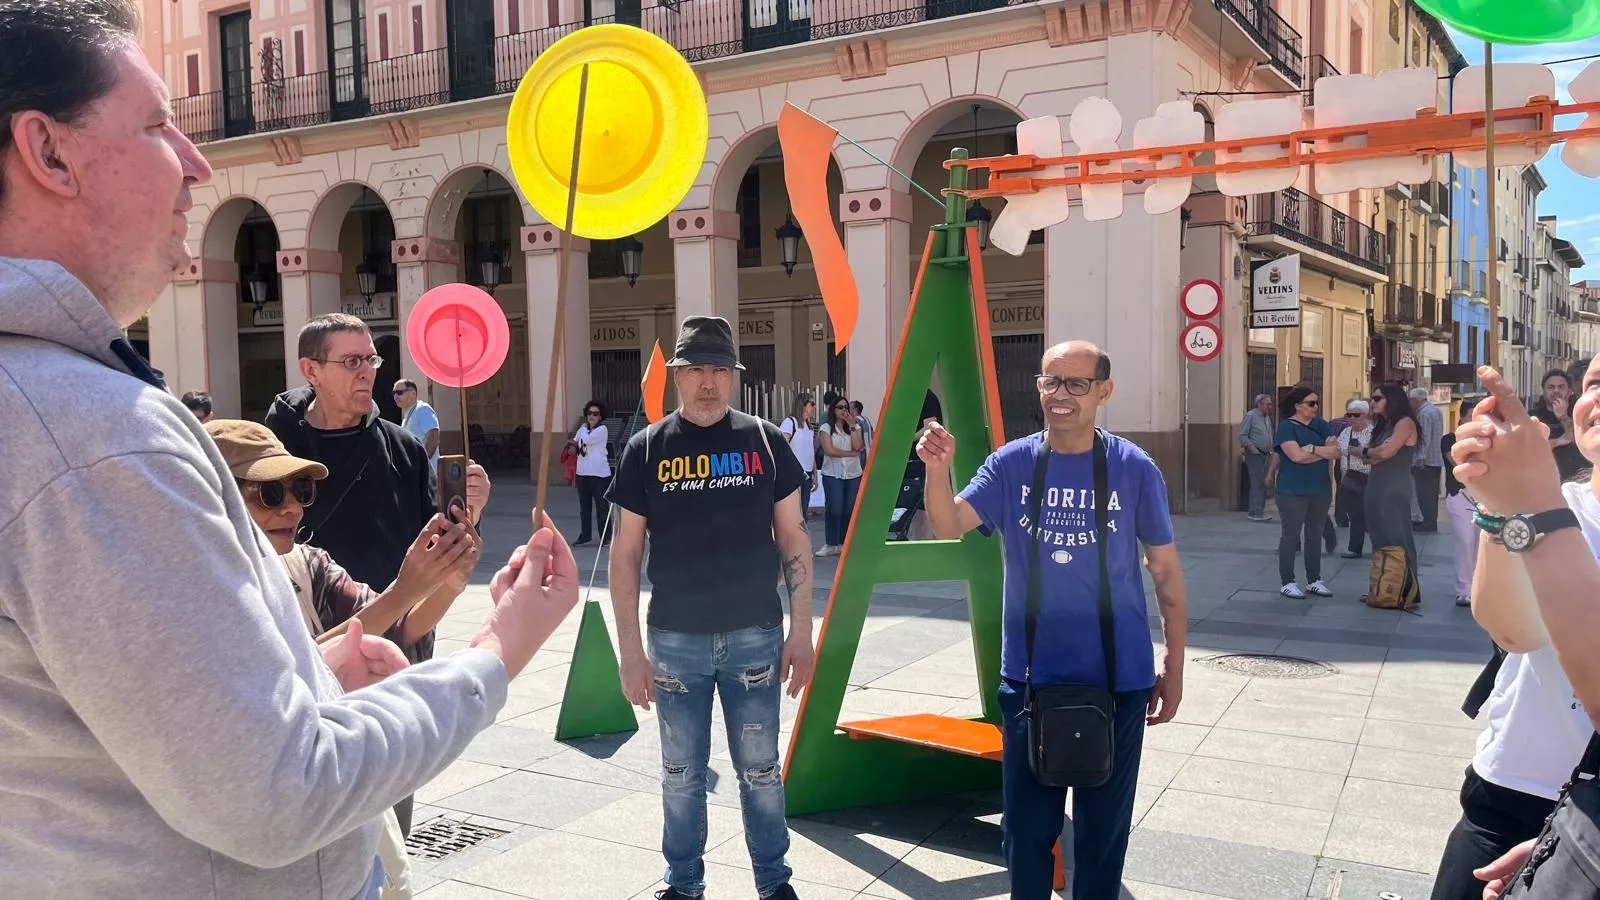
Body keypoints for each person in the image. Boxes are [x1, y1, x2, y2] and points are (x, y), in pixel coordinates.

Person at [0, 3, 578, 895]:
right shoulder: (94, 439)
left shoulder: (49, 410)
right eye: (158, 125)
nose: (196, 162)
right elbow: (277, 791)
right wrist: (499, 649)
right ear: (48, 152)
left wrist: (310, 665)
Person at [917, 340, 1187, 900]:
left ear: (1103, 393)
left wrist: (1175, 667)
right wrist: (937, 471)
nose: (1059, 395)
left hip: (1119, 681)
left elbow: (1164, 574)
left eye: (1075, 384)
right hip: (1031, 681)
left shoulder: (1135, 468)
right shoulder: (1011, 463)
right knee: (1025, 832)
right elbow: (947, 524)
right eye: (1050, 382)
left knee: (1102, 838)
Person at [205, 418, 484, 899]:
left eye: (301, 489)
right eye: (269, 494)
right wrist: (405, 590)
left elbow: (396, 630)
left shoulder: (307, 564)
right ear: (218, 499)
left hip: (335, 797)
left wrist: (447, 581)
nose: (291, 506)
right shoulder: (203, 592)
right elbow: (294, 669)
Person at [607, 315, 815, 900]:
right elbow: (625, 556)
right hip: (676, 641)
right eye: (697, 369)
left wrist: (802, 634)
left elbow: (795, 541)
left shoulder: (767, 443)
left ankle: (775, 884)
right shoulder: (647, 448)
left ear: (734, 378)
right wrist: (630, 652)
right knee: (680, 775)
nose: (708, 382)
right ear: (676, 375)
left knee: (761, 771)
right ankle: (684, 884)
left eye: (720, 370)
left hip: (755, 636)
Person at [267, 312, 493, 834]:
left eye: (371, 359)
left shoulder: (404, 447)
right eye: (351, 361)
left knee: (392, 828)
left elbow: (431, 550)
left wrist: (467, 520)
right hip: (308, 654)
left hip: (394, 651)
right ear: (311, 369)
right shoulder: (273, 447)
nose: (368, 371)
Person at [1441, 361, 1600, 898]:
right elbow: (1513, 632)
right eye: (1596, 384)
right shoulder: (1561, 508)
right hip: (1512, 794)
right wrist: (1503, 501)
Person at [1272, 386, 1339, 599]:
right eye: (1311, 403)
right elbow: (1295, 457)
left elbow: (1336, 451)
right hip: (1291, 490)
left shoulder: (1322, 425)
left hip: (1320, 488)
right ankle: (1287, 582)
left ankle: (1314, 580)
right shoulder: (1286, 428)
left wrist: (1310, 449)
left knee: (1314, 535)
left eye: (1317, 402)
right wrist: (1321, 452)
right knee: (1290, 535)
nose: (1316, 407)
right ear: (1297, 406)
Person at [1362, 383, 1422, 593]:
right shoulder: (1383, 426)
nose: (1372, 402)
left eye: (1377, 399)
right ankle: (1383, 587)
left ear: (1392, 400)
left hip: (1394, 487)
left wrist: (1369, 451)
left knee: (1397, 535)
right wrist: (1372, 452)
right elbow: (1370, 458)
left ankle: (1405, 589)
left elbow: (1385, 453)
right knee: (1378, 537)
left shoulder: (1405, 423)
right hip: (1376, 485)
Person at [1442, 397, 1481, 607]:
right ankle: (1463, 589)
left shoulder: (1487, 440)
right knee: (1465, 541)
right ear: (1463, 416)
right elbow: (1459, 462)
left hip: (1484, 497)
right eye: (1472, 416)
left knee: (1480, 545)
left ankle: (1478, 586)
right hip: (1460, 495)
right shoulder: (1449, 439)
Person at [816, 393, 864, 557]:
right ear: (833, 409)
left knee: (848, 509)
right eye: (840, 407)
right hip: (833, 473)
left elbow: (858, 446)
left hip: (852, 473)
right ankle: (831, 543)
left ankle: (845, 543)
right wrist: (851, 454)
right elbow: (829, 450)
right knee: (834, 508)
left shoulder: (854, 427)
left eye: (846, 407)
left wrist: (852, 425)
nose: (844, 410)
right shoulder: (826, 428)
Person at [1531, 369, 1586, 482]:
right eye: (1551, 387)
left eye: (1561, 387)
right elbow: (1528, 449)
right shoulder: (1533, 416)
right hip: (1544, 480)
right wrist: (1557, 442)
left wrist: (1563, 416)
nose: (1556, 391)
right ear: (1544, 391)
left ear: (1569, 391)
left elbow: (1581, 441)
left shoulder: (1579, 412)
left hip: (1577, 480)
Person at [571, 399, 612, 546]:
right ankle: (585, 535)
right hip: (583, 473)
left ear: (601, 416)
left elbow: (586, 440)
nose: (592, 416)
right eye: (589, 413)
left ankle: (606, 537)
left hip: (599, 474)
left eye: (595, 414)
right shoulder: (583, 429)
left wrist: (582, 430)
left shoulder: (602, 430)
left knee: (602, 507)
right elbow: (575, 442)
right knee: (584, 507)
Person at [1336, 399, 1373, 559]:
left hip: (1368, 477)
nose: (1352, 418)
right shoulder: (1345, 432)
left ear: (1365, 415)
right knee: (1355, 515)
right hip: (1349, 477)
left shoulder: (1373, 433)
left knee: (1371, 515)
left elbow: (1373, 454)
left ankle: (1383, 546)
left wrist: (1356, 451)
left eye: (1356, 415)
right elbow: (1338, 450)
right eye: (1349, 415)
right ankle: (1354, 548)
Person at [1411, 386, 1446, 532]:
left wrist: (1420, 457)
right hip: (1436, 459)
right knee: (1431, 494)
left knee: (1424, 494)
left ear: (1416, 400)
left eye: (1411, 400)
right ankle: (1431, 521)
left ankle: (1428, 523)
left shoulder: (1423, 414)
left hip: (1426, 461)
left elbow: (1424, 438)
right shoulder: (1436, 410)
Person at [1238, 393, 1274, 522]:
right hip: (1254, 453)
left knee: (1263, 482)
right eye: (1267, 404)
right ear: (1259, 404)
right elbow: (1242, 434)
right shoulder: (1250, 416)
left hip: (1265, 453)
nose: (1269, 406)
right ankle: (1256, 512)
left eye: (1270, 404)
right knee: (1257, 482)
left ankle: (1257, 510)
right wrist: (1252, 447)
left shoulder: (1266, 417)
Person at [393, 378, 440, 468]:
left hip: (427, 474)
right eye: (393, 393)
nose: (395, 397)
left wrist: (422, 463)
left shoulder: (423, 409)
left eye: (399, 393)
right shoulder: (407, 416)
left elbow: (434, 438)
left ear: (413, 394)